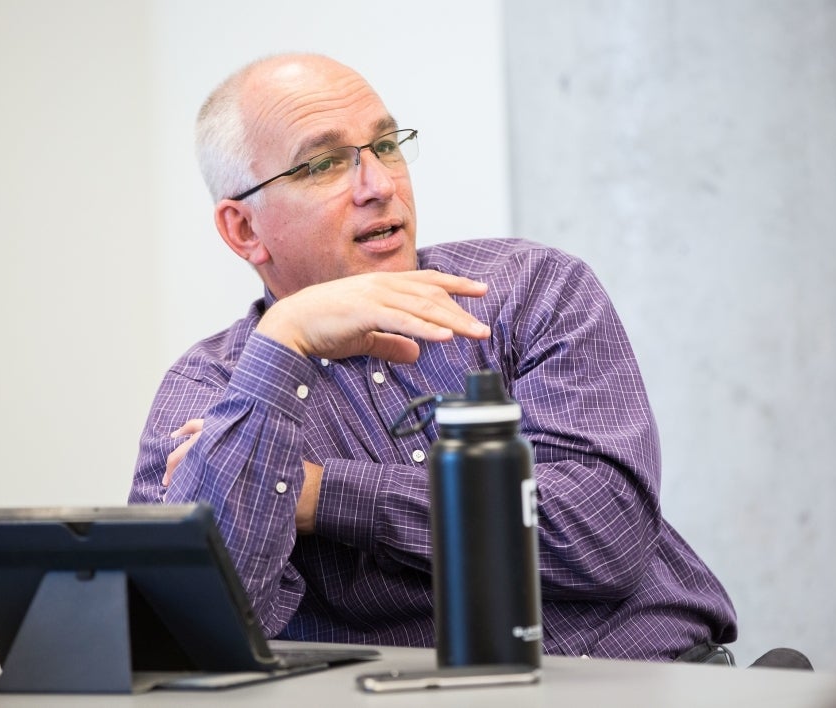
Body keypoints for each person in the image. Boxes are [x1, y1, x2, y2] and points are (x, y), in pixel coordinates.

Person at [129, 53, 737, 661]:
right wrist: (286, 339)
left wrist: (322, 496)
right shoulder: (211, 388)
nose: (380, 185)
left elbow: (601, 534)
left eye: (387, 145)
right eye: (324, 164)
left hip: (641, 677)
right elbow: (194, 631)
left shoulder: (529, 290)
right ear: (244, 231)